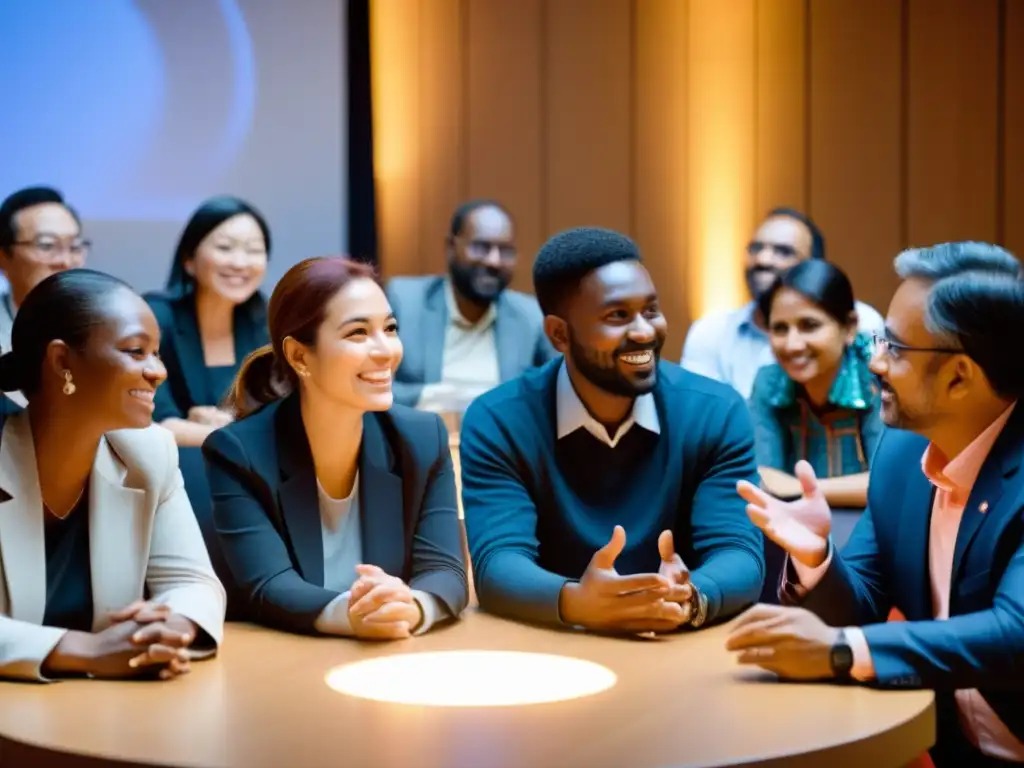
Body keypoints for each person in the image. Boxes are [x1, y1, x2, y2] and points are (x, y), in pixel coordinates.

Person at [725, 242, 1024, 767]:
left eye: (896, 348)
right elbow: (860, 601)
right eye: (877, 337)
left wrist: (843, 651)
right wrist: (816, 558)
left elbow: (1014, 634)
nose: (875, 360)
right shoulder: (904, 453)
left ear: (959, 375)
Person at [461, 227, 764, 633]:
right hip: (552, 647)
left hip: (678, 645)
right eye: (617, 316)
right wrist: (578, 602)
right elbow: (497, 564)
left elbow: (739, 551)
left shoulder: (715, 412)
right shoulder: (499, 420)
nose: (643, 331)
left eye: (651, 310)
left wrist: (693, 596)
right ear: (559, 334)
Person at [202, 257, 468, 638]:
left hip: (392, 659)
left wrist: (411, 607)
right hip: (282, 661)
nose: (385, 351)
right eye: (358, 333)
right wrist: (354, 613)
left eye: (390, 329)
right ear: (299, 356)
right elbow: (269, 585)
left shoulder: (423, 438)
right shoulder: (237, 452)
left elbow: (446, 571)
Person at [0, 269, 226, 682]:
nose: (158, 371)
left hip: (105, 709)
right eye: (136, 351)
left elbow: (192, 580)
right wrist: (87, 651)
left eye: (156, 353)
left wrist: (170, 629)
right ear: (62, 361)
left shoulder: (150, 452)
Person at [680, 207, 884, 399]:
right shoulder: (711, 331)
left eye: (783, 251)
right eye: (756, 248)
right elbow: (699, 418)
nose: (763, 259)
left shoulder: (863, 322)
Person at [386, 199, 558, 412]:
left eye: (505, 251)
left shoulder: (531, 316)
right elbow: (370, 387)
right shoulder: (406, 301)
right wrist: (430, 397)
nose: (493, 261)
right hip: (422, 439)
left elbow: (559, 394)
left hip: (499, 442)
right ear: (450, 247)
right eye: (481, 247)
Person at [749, 260, 882, 509]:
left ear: (849, 328)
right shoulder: (770, 382)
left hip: (873, 530)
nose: (793, 344)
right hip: (792, 528)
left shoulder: (876, 378)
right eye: (780, 329)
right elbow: (762, 479)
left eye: (809, 326)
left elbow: (891, 485)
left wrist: (797, 487)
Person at [146, 196, 271, 447]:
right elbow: (156, 423)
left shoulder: (266, 321)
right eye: (225, 248)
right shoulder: (155, 318)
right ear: (189, 260)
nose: (240, 263)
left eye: (254, 250)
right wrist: (240, 435)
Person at [0, 186, 89, 407]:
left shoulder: (102, 327)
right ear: (3, 258)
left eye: (75, 247)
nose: (66, 261)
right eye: (47, 245)